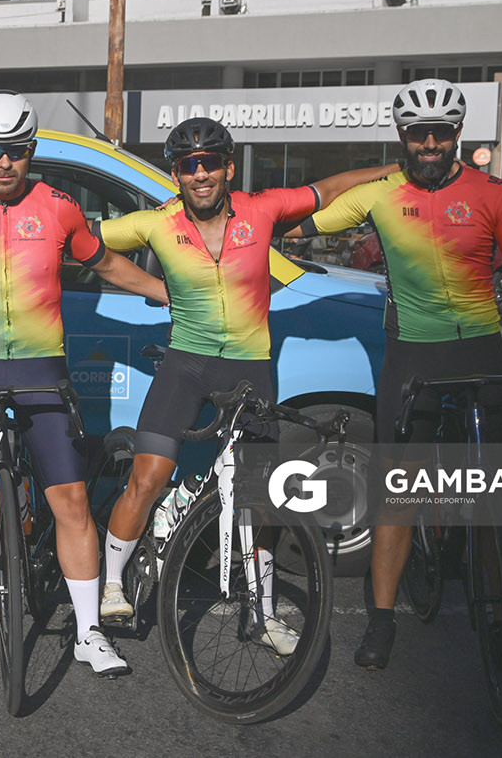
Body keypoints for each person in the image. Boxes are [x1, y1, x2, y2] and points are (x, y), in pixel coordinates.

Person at [295, 78, 502, 679]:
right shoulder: (381, 193)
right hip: (413, 357)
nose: (430, 143)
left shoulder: (492, 193)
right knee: (400, 493)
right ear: (403, 136)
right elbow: (299, 223)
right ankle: (383, 620)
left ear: (458, 136)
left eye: (441, 133)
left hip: (482, 356)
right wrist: (373, 172)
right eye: (419, 133)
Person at [0, 91, 167, 679]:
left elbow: (106, 264)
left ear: (31, 150)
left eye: (16, 151)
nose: (4, 163)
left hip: (43, 370)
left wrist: (170, 293)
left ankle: (90, 633)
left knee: (69, 501)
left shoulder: (61, 207)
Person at [95, 119, 397, 647]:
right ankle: (112, 585)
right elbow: (81, 242)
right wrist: (152, 288)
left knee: (259, 498)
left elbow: (327, 189)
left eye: (210, 162)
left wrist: (395, 168)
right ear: (176, 174)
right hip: (185, 364)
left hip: (249, 367)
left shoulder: (262, 210)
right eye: (189, 166)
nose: (200, 173)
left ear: (228, 168)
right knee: (147, 477)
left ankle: (262, 614)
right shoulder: (155, 223)